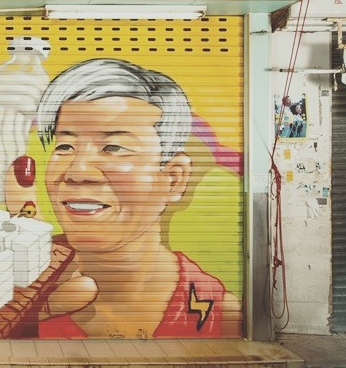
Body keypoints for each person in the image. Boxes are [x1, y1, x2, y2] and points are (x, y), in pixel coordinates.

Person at [30, 58, 240, 339]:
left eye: (113, 147)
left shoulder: (217, 313)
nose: (78, 171)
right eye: (65, 146)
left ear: (173, 179)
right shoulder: (17, 283)